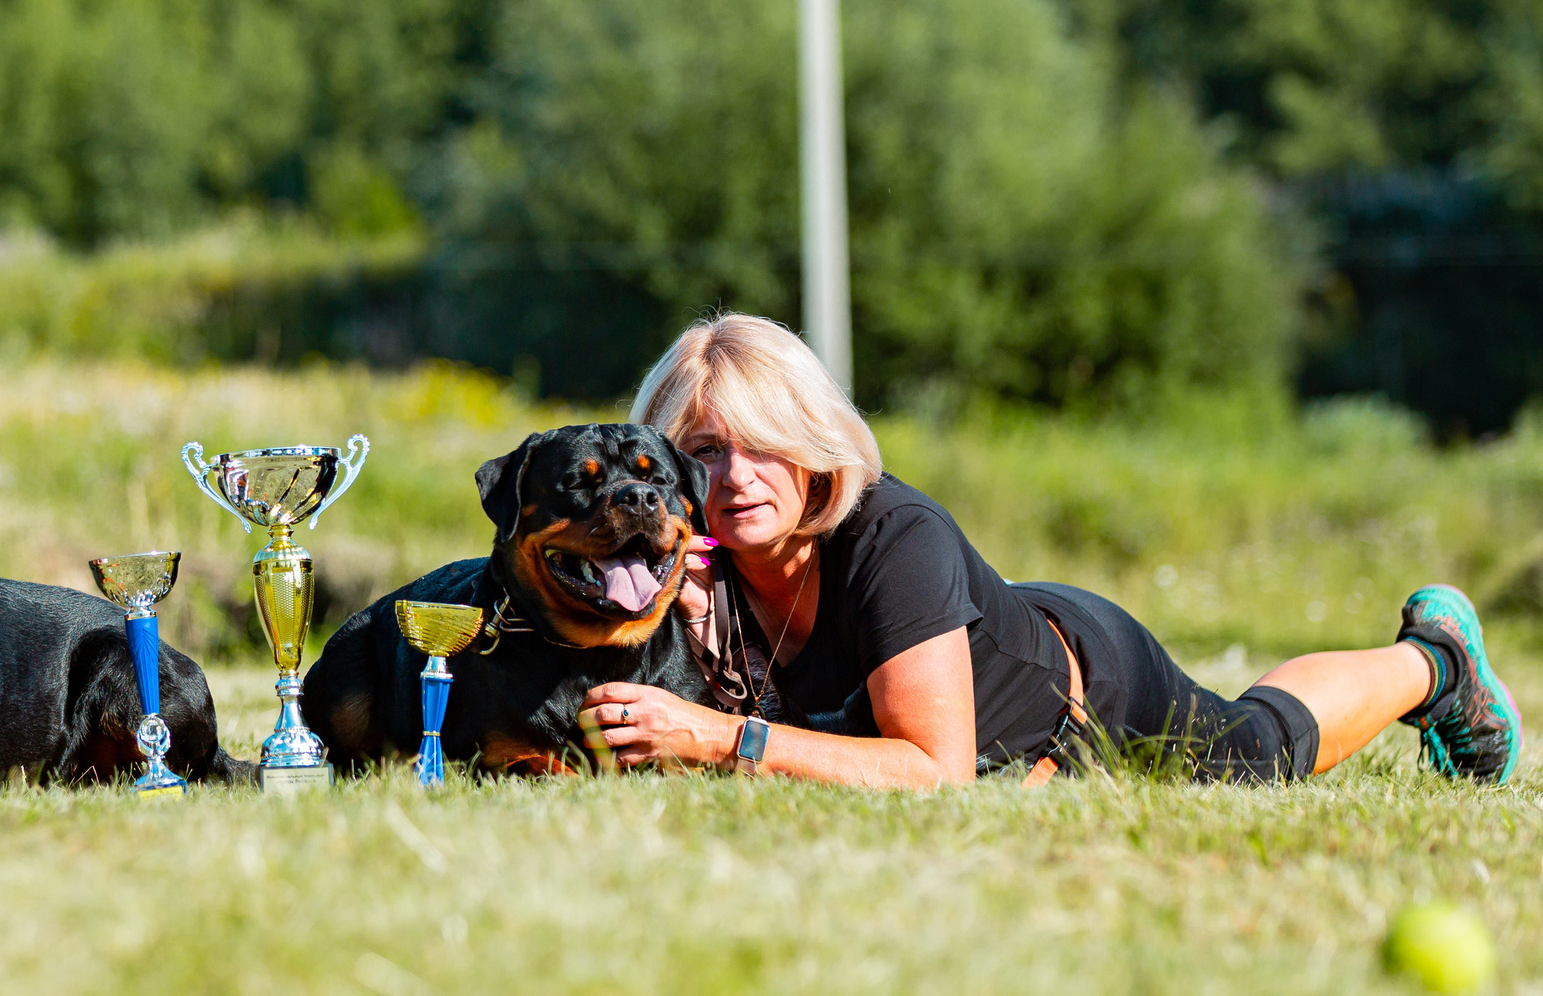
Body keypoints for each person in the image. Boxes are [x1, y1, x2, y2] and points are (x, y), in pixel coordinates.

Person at [579, 313, 1520, 789]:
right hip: (982, 642)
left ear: (815, 442)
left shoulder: (890, 536)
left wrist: (717, 736)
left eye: (766, 443)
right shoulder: (683, 568)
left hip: (1088, 690)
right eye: (705, 451)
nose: (738, 475)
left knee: (1259, 752)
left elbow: (931, 772)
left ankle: (1434, 662)